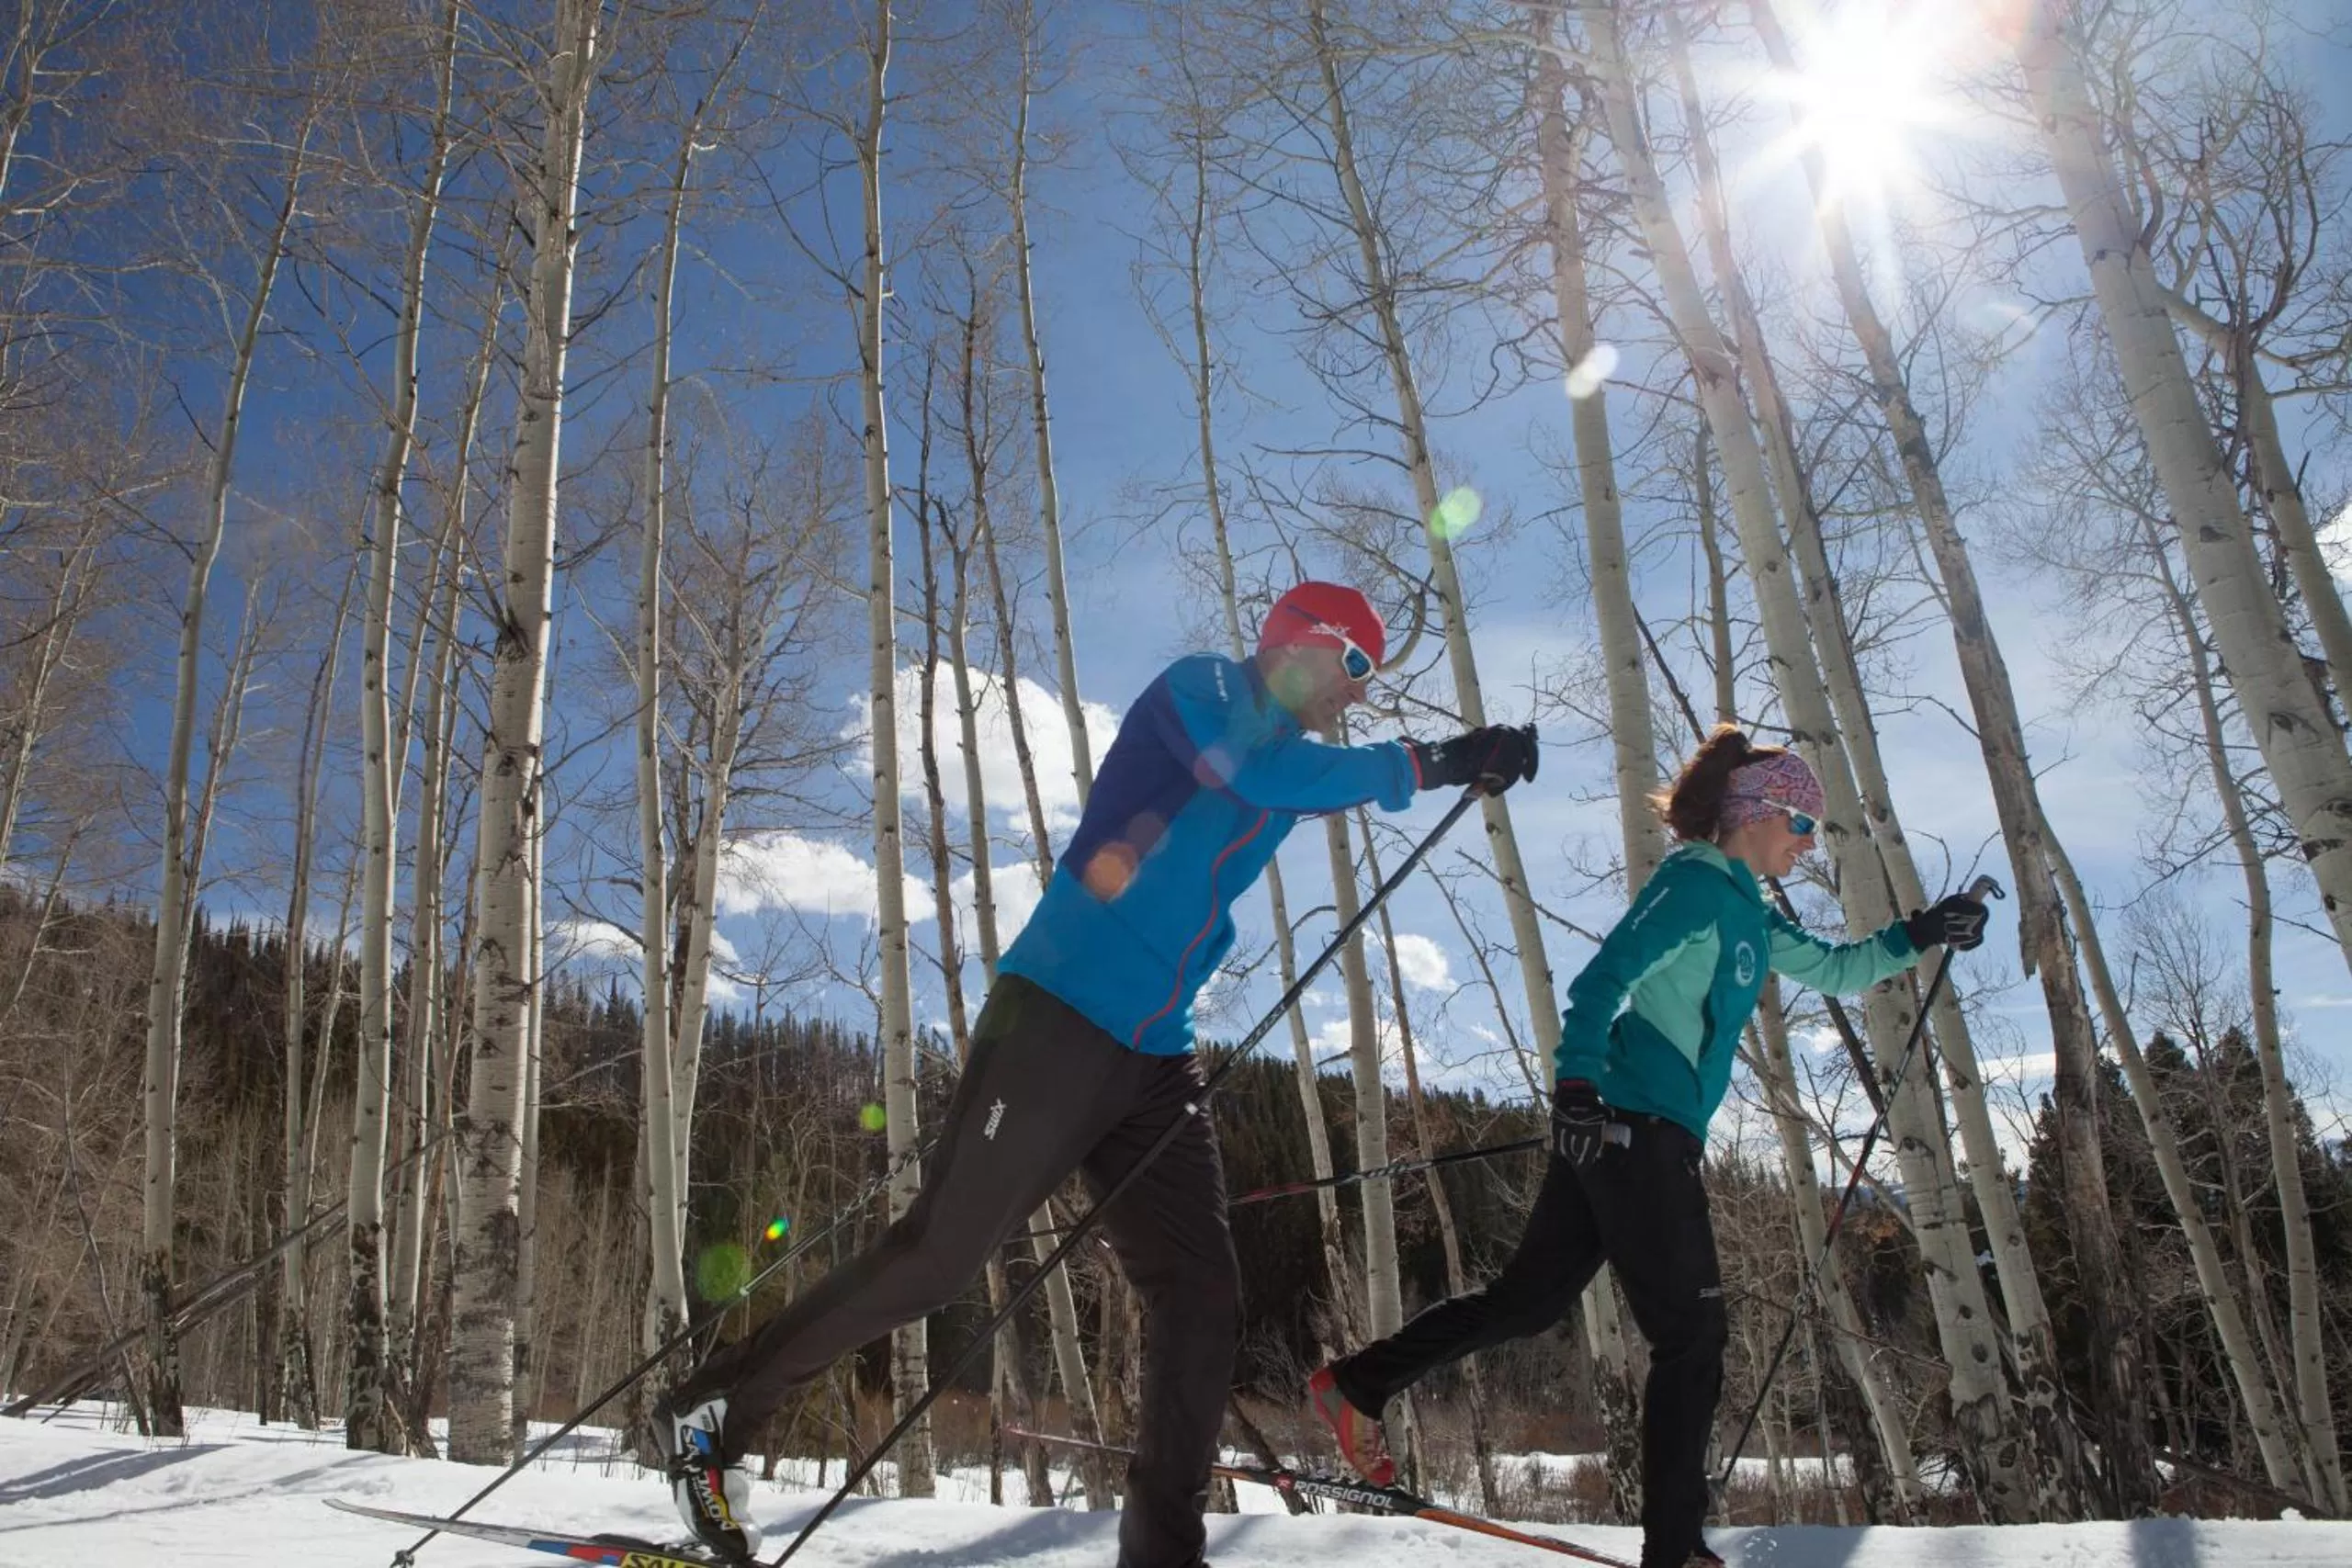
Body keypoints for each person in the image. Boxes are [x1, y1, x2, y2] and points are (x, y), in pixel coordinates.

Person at [653, 581, 1540, 1568]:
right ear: (1303, 643)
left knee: (1201, 1294)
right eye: (1359, 667)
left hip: (1154, 1055)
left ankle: (1161, 1556)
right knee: (938, 1259)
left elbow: (1277, 794)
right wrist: (1431, 762)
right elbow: (1248, 773)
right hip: (1057, 1016)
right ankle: (713, 1411)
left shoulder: (1291, 762)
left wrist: (1455, 764)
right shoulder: (1202, 690)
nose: (1361, 695)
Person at [1304, 725, 1988, 1568]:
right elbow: (1603, 978)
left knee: (1527, 1304)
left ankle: (1358, 1384)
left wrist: (1925, 931)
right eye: (1802, 826)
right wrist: (1578, 1085)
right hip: (1635, 1133)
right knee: (1692, 1337)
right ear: (1757, 813)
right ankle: (1672, 1549)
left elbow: (1841, 968)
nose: (1808, 846)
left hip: (1628, 1132)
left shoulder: (1748, 909)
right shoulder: (1697, 889)